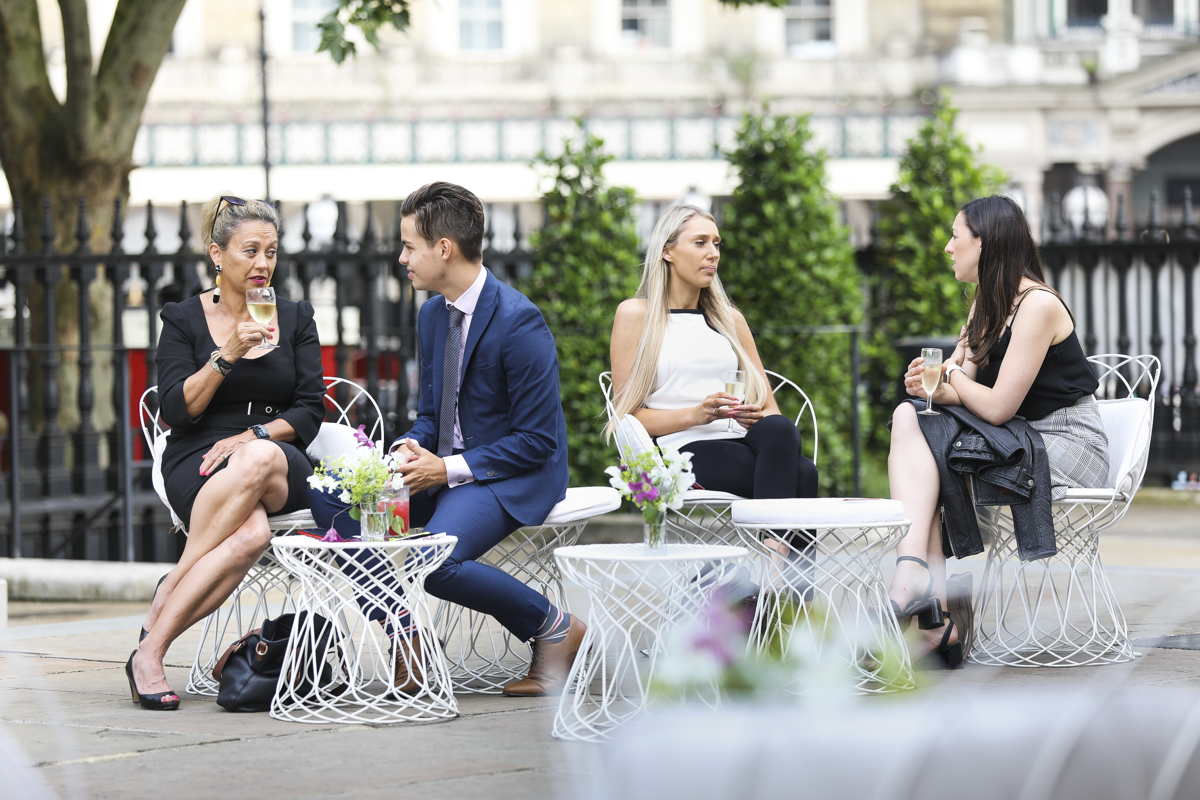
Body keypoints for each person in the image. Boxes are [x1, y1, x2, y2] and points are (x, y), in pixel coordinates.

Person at [310, 181, 581, 697]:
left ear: (443, 249)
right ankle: (406, 637)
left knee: (436, 560)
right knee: (331, 497)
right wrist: (406, 452)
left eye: (409, 246)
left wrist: (448, 469)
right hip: (444, 469)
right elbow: (431, 417)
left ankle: (556, 630)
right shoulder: (433, 314)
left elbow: (538, 440)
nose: (401, 257)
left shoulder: (520, 322)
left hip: (508, 476)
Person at [887, 195, 1108, 669]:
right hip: (1011, 436)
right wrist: (929, 383)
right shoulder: (986, 305)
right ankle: (919, 586)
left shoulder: (1037, 305)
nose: (948, 247)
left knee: (931, 456)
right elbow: (953, 377)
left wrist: (951, 384)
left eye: (955, 235)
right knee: (910, 418)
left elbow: (996, 404)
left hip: (1065, 442)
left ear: (983, 244)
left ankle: (932, 608)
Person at [129, 196, 325, 710]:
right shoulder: (183, 319)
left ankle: (173, 581)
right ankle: (150, 654)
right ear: (217, 254)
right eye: (250, 251)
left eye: (272, 253)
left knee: (257, 460)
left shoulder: (296, 316)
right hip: (199, 457)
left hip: (277, 456)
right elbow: (175, 411)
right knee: (251, 535)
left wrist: (256, 436)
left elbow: (309, 410)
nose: (263, 264)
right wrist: (228, 355)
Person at [609, 204, 818, 506]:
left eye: (717, 243)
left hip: (737, 438)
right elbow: (627, 418)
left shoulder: (729, 320)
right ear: (667, 251)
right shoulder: (635, 314)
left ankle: (769, 552)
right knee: (804, 473)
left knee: (780, 427)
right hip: (677, 449)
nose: (713, 253)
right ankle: (776, 553)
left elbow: (771, 410)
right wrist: (698, 414)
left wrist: (752, 416)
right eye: (700, 242)